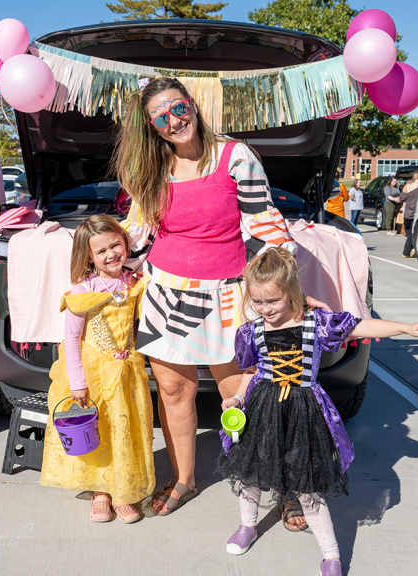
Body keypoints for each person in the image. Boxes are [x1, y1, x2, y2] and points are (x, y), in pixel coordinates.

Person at [113, 77, 312, 526]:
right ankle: (185, 478)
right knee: (173, 390)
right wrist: (104, 262)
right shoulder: (150, 168)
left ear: (192, 105)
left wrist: (282, 283)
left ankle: (281, 482)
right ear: (151, 126)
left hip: (225, 296)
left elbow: (263, 220)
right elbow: (139, 232)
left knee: (246, 397)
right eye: (160, 116)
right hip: (166, 295)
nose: (173, 120)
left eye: (177, 107)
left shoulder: (233, 155)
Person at [217, 248, 418, 576]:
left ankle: (331, 554)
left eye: (272, 301)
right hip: (263, 409)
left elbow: (361, 328)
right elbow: (250, 372)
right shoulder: (251, 331)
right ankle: (248, 525)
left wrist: (405, 327)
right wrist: (235, 398)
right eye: (258, 302)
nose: (265, 309)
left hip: (305, 411)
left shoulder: (315, 323)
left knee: (309, 486)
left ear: (291, 292)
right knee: (251, 475)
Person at [38, 215, 156, 524]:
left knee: (124, 428)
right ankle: (100, 491)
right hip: (93, 375)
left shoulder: (135, 283)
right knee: (99, 430)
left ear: (126, 242)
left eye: (116, 245)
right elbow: (72, 339)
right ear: (89, 257)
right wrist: (77, 382)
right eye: (101, 251)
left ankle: (122, 492)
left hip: (127, 372)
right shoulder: (82, 292)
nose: (112, 254)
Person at [399, 170, 418, 257]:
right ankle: (407, 252)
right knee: (411, 233)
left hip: (407, 212)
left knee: (409, 231)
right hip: (416, 212)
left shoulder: (407, 186)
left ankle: (412, 249)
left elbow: (401, 198)